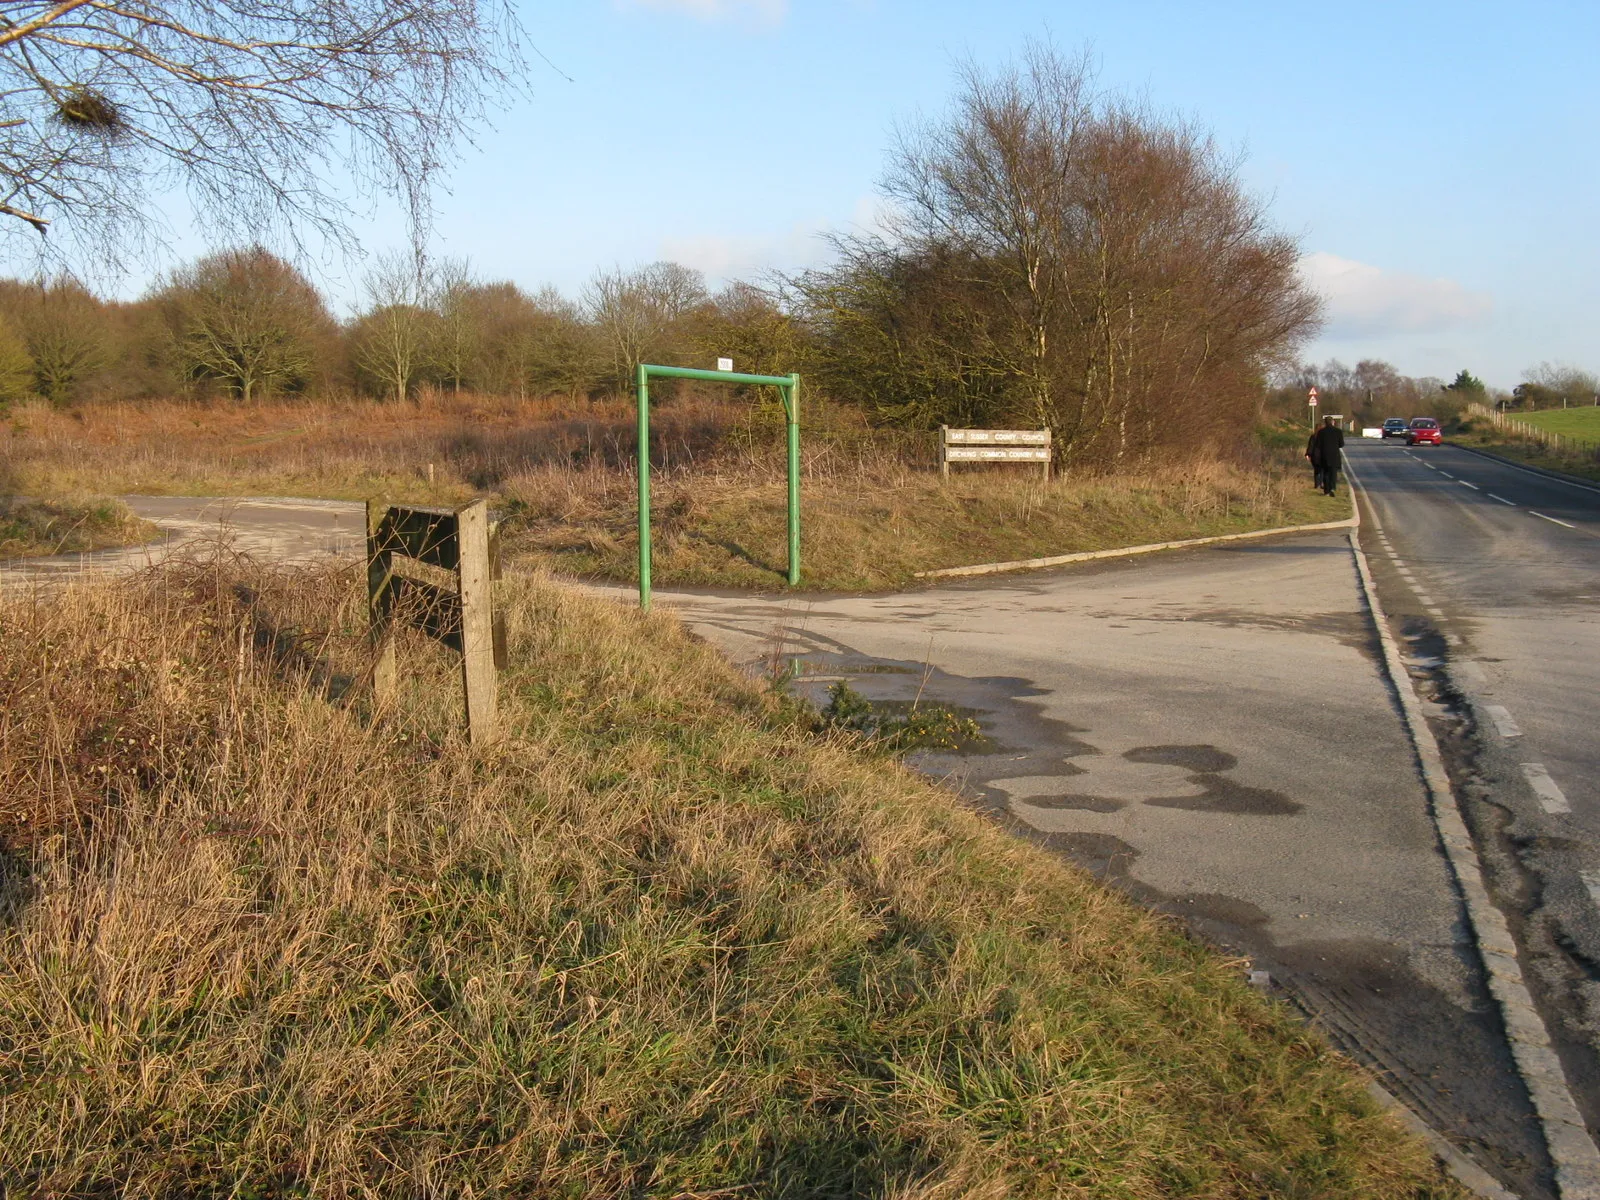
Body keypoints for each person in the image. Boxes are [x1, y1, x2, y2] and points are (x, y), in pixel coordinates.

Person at [1305, 416, 1346, 496]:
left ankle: (1326, 490)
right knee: (1333, 473)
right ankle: (1332, 488)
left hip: (1324, 455)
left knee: (1326, 472)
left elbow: (1318, 445)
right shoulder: (1338, 431)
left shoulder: (1321, 432)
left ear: (1325, 422)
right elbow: (1341, 444)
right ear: (1333, 422)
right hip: (1334, 455)